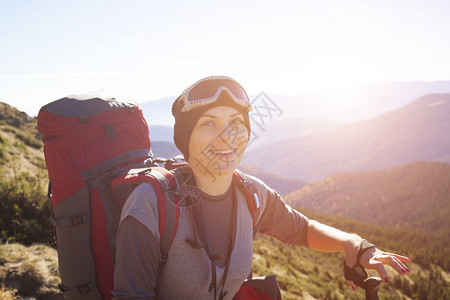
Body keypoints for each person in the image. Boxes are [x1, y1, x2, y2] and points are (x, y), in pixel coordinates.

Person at [112, 76, 411, 299]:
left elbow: (301, 229)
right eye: (208, 124)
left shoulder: (251, 194)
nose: (227, 136)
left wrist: (353, 245)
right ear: (185, 137)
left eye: (236, 123)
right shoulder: (149, 206)